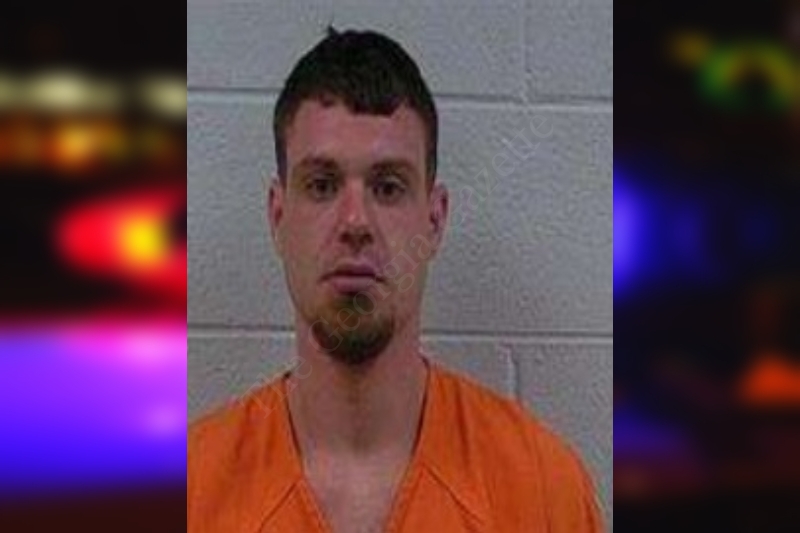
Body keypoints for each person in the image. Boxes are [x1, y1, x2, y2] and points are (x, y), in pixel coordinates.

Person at [188, 27, 604, 533]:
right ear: (278, 216)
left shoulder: (542, 490)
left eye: (388, 187)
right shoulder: (191, 491)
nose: (355, 222)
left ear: (435, 219)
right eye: (322, 185)